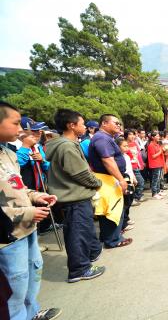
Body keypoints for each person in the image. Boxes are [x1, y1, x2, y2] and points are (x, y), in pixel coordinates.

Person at [0, 101, 61, 320]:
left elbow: (19, 187)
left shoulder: (8, 153)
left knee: (32, 273)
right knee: (14, 285)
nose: (20, 130)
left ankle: (32, 312)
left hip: (28, 227)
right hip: (8, 235)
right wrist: (27, 213)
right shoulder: (18, 150)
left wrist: (37, 196)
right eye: (16, 123)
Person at [45, 109, 105, 283]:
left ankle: (90, 255)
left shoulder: (65, 144)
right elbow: (80, 173)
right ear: (71, 125)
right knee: (77, 233)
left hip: (75, 196)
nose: (85, 126)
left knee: (83, 230)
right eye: (82, 123)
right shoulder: (66, 146)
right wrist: (98, 183)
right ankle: (79, 269)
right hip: (74, 197)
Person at [88, 114, 132, 248]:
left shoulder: (106, 138)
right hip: (107, 179)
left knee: (110, 208)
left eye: (119, 124)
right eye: (116, 123)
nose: (118, 126)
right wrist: (121, 179)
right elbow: (107, 160)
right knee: (111, 209)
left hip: (108, 178)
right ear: (104, 124)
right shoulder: (102, 138)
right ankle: (113, 239)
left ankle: (108, 236)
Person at [147, 131, 165, 200]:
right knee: (155, 179)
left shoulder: (157, 144)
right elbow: (153, 156)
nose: (158, 137)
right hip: (155, 164)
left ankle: (158, 191)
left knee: (158, 179)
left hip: (159, 163)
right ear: (152, 137)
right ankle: (154, 193)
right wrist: (160, 152)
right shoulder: (151, 145)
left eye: (158, 136)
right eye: (157, 136)